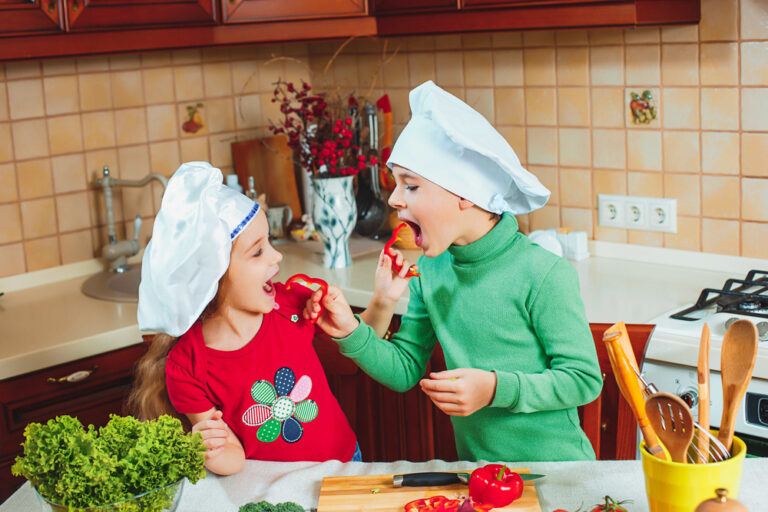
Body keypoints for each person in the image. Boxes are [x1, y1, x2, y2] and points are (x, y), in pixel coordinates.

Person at [307, 81, 603, 462]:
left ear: (465, 194)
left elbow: (584, 380)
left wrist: (496, 389)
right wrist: (352, 332)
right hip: (480, 475)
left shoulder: (542, 273)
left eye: (410, 186)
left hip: (560, 475)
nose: (394, 199)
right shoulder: (432, 269)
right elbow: (404, 369)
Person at [128, 162, 415, 475]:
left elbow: (360, 351)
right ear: (213, 276)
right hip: (273, 491)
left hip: (343, 466)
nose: (276, 256)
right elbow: (233, 457)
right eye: (257, 251)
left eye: (269, 243)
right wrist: (210, 448)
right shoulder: (186, 366)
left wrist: (384, 300)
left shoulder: (289, 305)